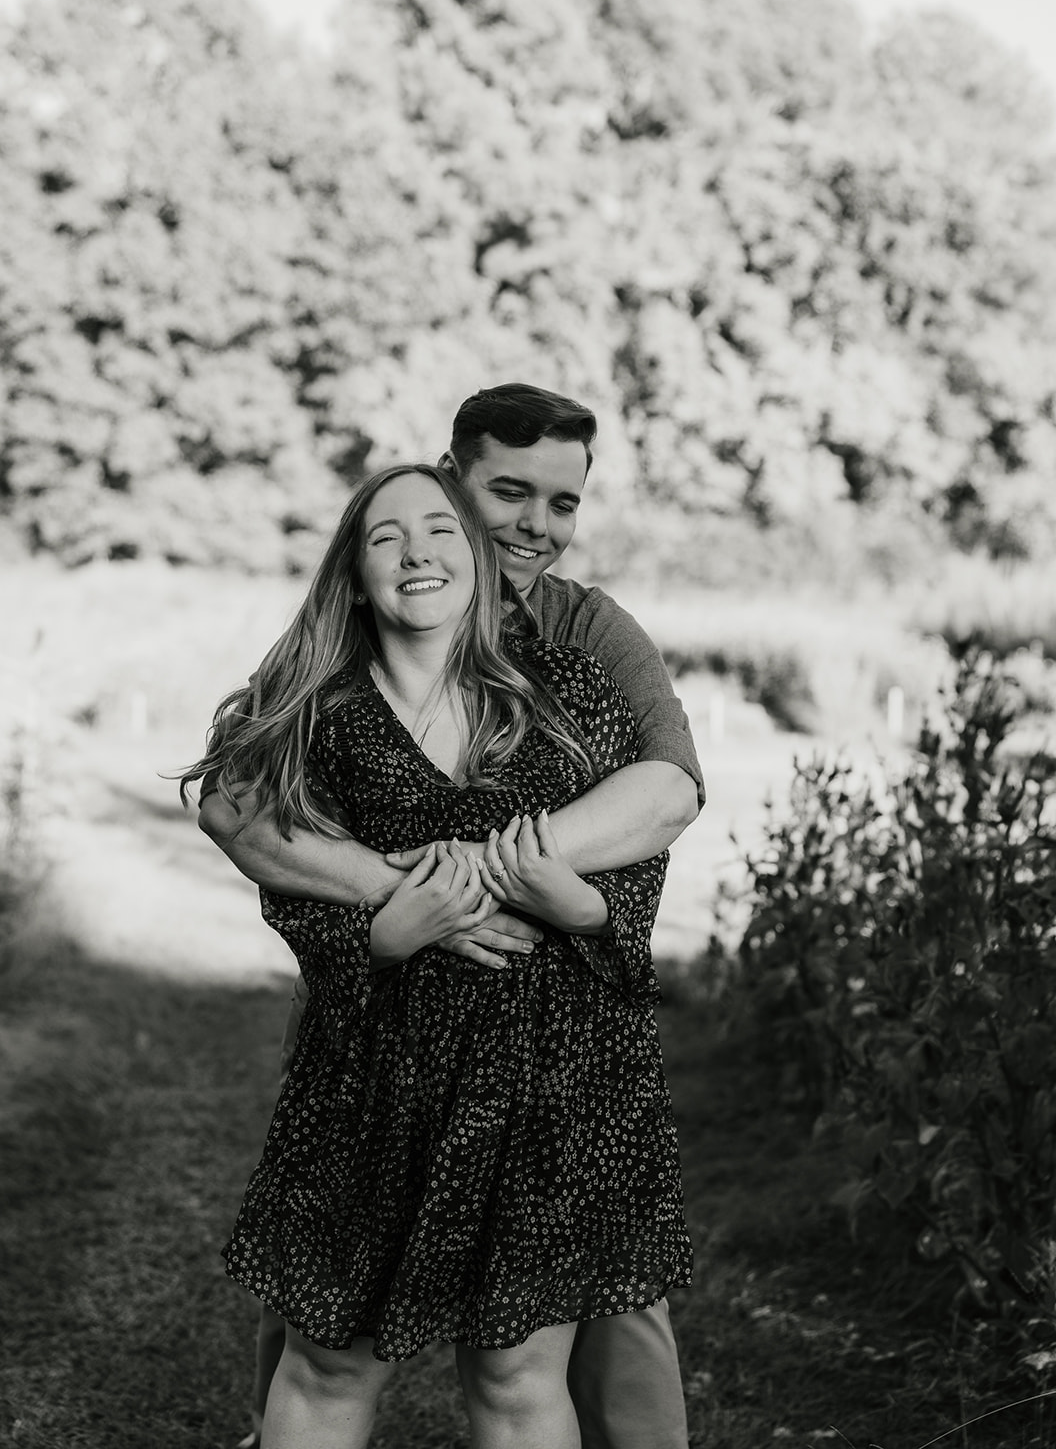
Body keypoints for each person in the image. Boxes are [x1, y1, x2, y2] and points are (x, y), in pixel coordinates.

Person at [201, 385, 703, 1449]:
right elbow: (241, 803)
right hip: (383, 1065)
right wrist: (390, 907)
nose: (533, 523)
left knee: (545, 1353)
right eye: (505, 492)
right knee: (329, 1338)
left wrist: (513, 876)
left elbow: (655, 802)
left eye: (559, 502)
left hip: (553, 1072)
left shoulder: (578, 652)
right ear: (455, 485)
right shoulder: (332, 676)